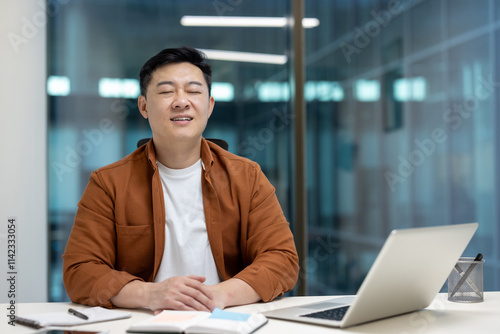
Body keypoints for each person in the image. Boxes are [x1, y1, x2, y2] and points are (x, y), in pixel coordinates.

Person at [62, 46, 299, 313]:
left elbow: (282, 260)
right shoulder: (108, 183)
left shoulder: (247, 176)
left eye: (193, 91)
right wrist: (150, 294)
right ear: (143, 106)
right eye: (166, 91)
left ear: (209, 106)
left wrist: (219, 295)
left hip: (222, 324)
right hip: (141, 326)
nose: (181, 101)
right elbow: (80, 271)